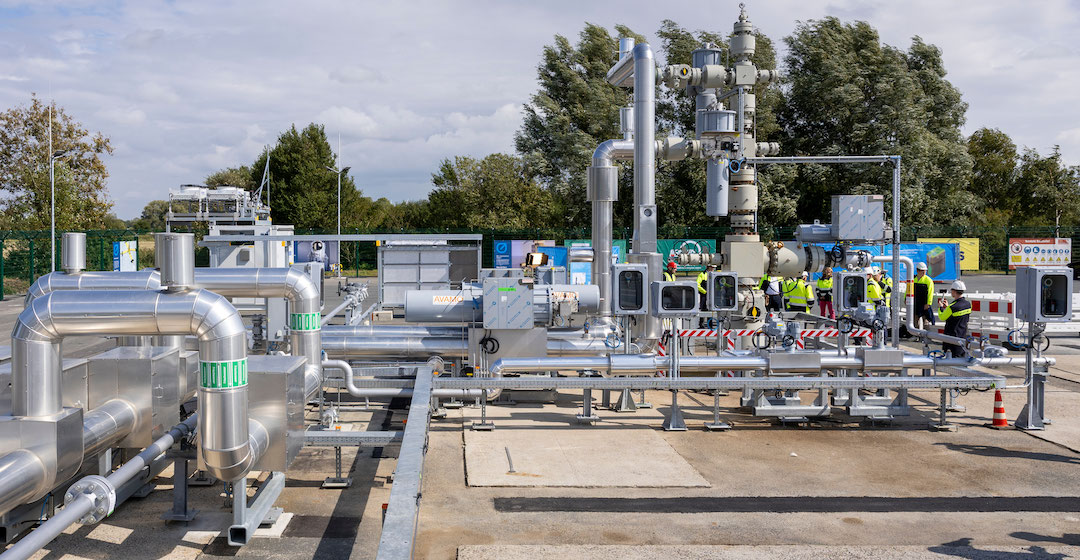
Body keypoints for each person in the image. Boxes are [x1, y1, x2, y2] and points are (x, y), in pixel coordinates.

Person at [938, 280, 971, 358]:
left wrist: (941, 308)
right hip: (963, 336)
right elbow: (957, 315)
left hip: (952, 338)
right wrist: (948, 307)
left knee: (952, 360)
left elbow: (942, 317)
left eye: (951, 290)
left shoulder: (952, 307)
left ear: (954, 291)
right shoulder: (968, 304)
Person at [908, 262, 936, 330]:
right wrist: (906, 299)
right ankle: (915, 335)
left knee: (926, 321)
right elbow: (908, 289)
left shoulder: (928, 280)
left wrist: (928, 303)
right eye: (922, 271)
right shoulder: (913, 279)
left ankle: (927, 337)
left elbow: (930, 293)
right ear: (917, 270)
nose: (924, 272)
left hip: (924, 304)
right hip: (915, 303)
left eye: (925, 271)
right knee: (915, 321)